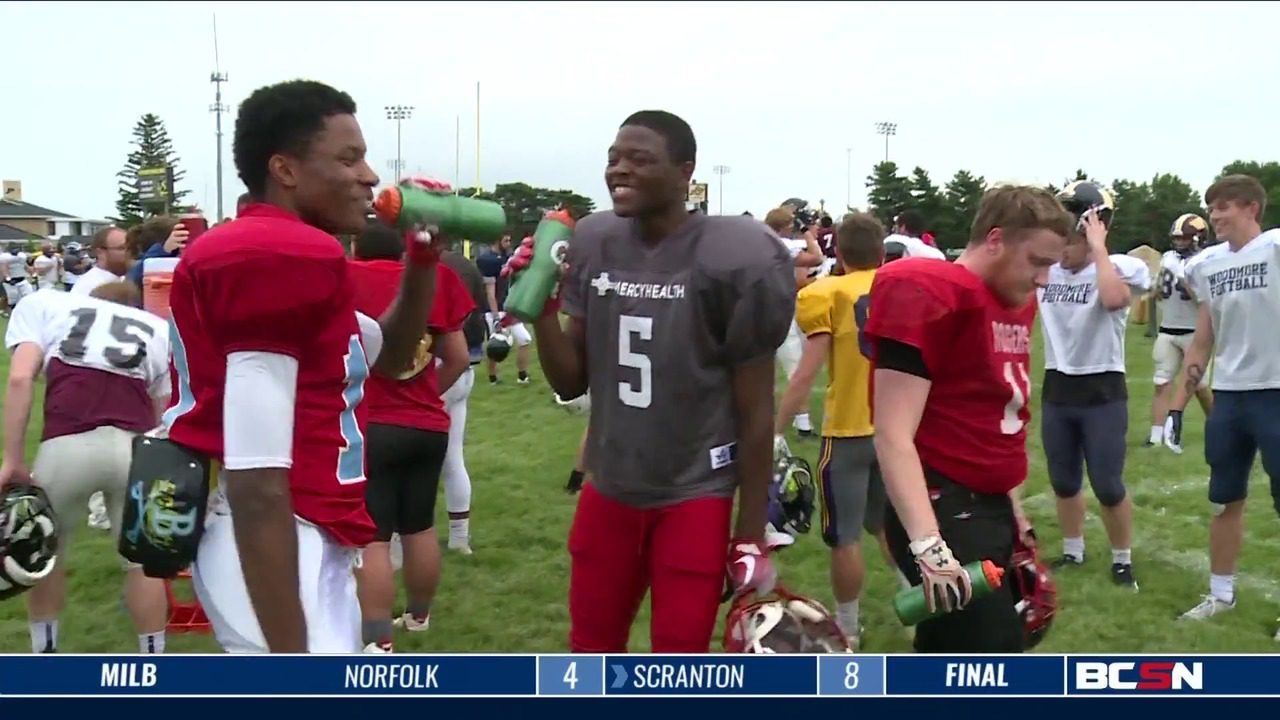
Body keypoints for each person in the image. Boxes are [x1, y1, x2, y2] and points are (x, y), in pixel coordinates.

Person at [162, 79, 445, 654]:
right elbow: (257, 479)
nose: (370, 176)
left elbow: (391, 357)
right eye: (348, 158)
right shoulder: (276, 252)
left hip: (305, 527)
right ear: (285, 170)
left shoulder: (303, 252)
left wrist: (421, 261)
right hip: (273, 527)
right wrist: (291, 666)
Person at [514, 110, 795, 652]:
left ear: (685, 172)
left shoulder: (734, 255)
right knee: (590, 654)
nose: (619, 169)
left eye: (640, 159)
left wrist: (750, 533)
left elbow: (756, 411)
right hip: (610, 487)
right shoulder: (596, 239)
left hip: (694, 494)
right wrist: (543, 308)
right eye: (614, 158)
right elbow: (570, 383)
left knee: (679, 662)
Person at [865, 184, 1072, 653]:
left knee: (950, 653)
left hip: (988, 504)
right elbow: (893, 434)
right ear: (996, 239)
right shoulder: (933, 290)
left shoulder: (1010, 298)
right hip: (943, 503)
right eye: (1037, 262)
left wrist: (1014, 511)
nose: (1043, 279)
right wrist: (929, 546)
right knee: (987, 658)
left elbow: (991, 416)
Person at [1, 281, 172, 653]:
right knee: (141, 564)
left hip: (68, 442)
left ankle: (45, 655)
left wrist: (12, 459)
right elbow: (164, 417)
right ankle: (153, 661)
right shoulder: (159, 329)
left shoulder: (47, 304)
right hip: (135, 447)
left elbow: (19, 377)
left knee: (45, 554)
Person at [773, 211, 898, 647]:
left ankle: (848, 628)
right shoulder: (901, 289)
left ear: (839, 253)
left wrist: (777, 431)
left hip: (848, 431)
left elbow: (805, 373)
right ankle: (920, 601)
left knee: (845, 537)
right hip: (898, 432)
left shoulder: (826, 292)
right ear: (882, 252)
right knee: (890, 525)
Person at [348, 218, 473, 652]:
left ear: (356, 247)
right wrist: (425, 398)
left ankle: (377, 638)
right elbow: (458, 358)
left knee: (373, 534)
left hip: (370, 422)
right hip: (427, 424)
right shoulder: (436, 276)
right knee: (419, 525)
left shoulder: (346, 276)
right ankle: (418, 616)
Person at [1161, 175, 1280, 631]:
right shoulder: (1207, 264)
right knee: (1223, 498)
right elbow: (1202, 339)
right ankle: (1221, 594)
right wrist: (1177, 404)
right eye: (1211, 208)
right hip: (1230, 396)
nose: (1214, 216)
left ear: (1251, 208)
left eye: (1224, 206)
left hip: (1275, 390)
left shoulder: (1274, 248)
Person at [1036, 181, 1150, 589]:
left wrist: (1098, 249)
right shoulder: (1046, 269)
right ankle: (1073, 550)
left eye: (1070, 239)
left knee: (1107, 484)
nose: (1062, 249)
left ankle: (1122, 559)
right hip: (1058, 385)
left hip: (1102, 388)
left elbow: (1115, 300)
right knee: (1063, 480)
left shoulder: (1116, 266)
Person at [1147, 214, 1213, 448]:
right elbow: (1159, 291)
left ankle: (1218, 426)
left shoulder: (1207, 261)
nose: (1179, 242)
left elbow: (1206, 301)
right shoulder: (1168, 258)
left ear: (1198, 239)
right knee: (1161, 382)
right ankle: (1156, 437)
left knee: (1199, 386)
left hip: (1195, 333)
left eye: (1184, 238)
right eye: (1177, 238)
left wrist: (1188, 283)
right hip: (1168, 329)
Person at [439, 244, 489, 554]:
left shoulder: (421, 267)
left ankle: (398, 549)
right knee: (453, 456)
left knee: (408, 461)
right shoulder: (465, 265)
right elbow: (481, 312)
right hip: (465, 366)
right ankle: (460, 539)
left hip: (435, 365)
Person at [766, 206, 824, 438]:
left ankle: (758, 419)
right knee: (795, 369)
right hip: (781, 310)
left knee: (760, 370)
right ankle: (803, 425)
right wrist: (807, 233)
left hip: (757, 310)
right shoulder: (784, 245)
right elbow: (816, 257)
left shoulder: (758, 243)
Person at [476, 234, 531, 385]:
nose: (508, 243)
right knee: (496, 344)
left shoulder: (508, 256)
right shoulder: (488, 260)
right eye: (505, 241)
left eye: (509, 240)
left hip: (509, 307)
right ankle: (493, 378)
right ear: (497, 240)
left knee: (525, 339)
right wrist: (495, 317)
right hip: (495, 309)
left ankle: (522, 376)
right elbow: (490, 291)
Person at [71, 226, 131, 297]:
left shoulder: (122, 279)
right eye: (122, 248)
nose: (130, 253)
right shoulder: (89, 286)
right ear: (100, 252)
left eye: (131, 248)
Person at [1, 246, 33, 316]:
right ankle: (12, 313)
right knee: (13, 298)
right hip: (10, 281)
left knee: (29, 294)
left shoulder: (21, 257)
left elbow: (25, 266)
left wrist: (33, 272)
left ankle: (27, 312)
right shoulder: (4, 258)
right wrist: (8, 278)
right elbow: (4, 269)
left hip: (22, 279)